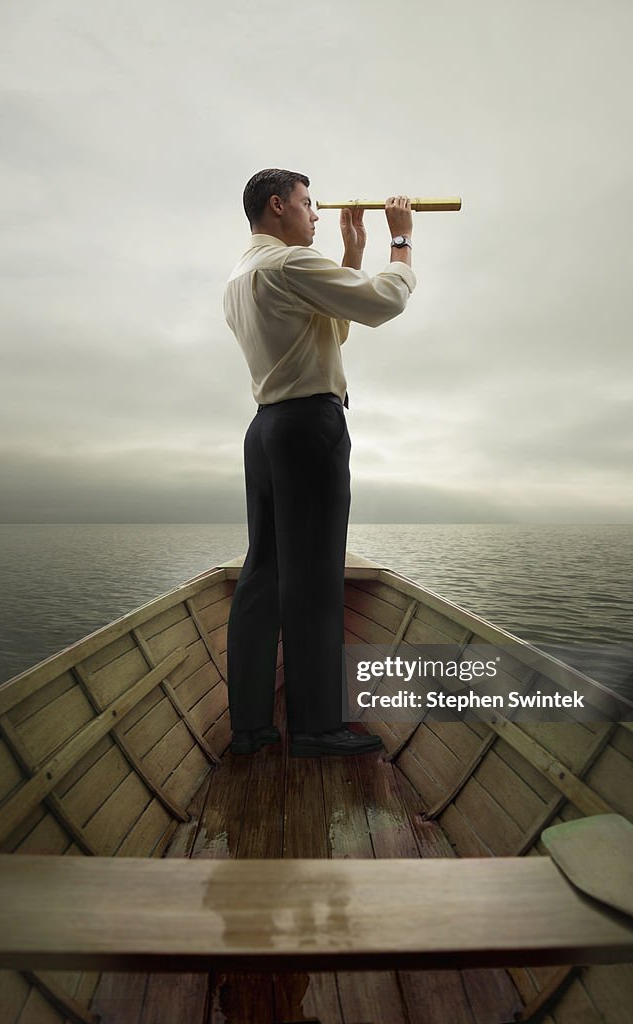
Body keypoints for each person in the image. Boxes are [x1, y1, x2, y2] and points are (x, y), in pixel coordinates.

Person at [224, 168, 415, 757]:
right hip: (310, 427)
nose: (315, 214)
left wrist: (350, 251)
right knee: (314, 578)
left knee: (265, 573)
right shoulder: (286, 266)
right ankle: (315, 728)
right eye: (308, 204)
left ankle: (252, 727)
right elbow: (382, 304)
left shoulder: (243, 275)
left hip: (266, 430)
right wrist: (399, 241)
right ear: (277, 205)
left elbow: (333, 327)